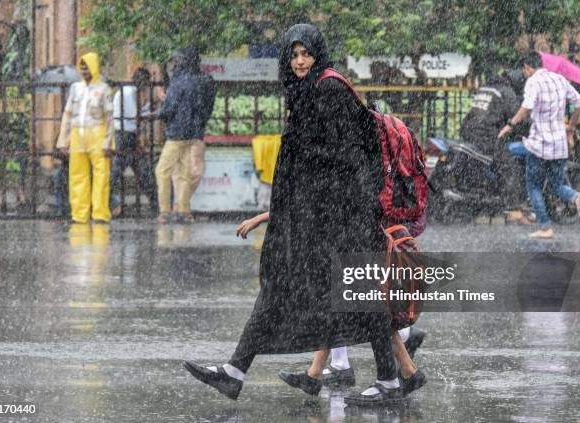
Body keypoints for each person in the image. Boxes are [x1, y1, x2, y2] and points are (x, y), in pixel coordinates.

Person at [183, 24, 401, 405]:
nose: (300, 61)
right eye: (294, 54)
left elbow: (347, 155)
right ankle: (235, 370)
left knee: (356, 294)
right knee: (283, 286)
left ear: (318, 54)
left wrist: (305, 161)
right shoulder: (302, 91)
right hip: (312, 214)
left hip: (341, 215)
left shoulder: (329, 89)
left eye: (306, 54)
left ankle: (390, 380)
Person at [237, 212, 427, 397]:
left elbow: (311, 207)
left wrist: (261, 218)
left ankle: (397, 372)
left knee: (363, 309)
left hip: (372, 243)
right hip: (373, 240)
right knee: (345, 306)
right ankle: (321, 372)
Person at [498, 51, 580, 238]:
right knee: (556, 184)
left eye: (524, 70)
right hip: (560, 144)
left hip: (539, 144)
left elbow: (526, 107)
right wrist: (571, 126)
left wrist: (510, 126)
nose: (524, 73)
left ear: (528, 68)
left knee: (533, 186)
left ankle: (545, 227)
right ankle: (576, 196)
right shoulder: (560, 79)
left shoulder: (533, 82)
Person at [155, 48, 216, 224]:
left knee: (162, 171)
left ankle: (165, 211)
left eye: (175, 62)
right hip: (194, 133)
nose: (173, 65)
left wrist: (162, 106)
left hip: (177, 134)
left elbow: (169, 109)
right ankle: (183, 210)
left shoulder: (179, 82)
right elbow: (207, 107)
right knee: (183, 172)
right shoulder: (204, 81)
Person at [57, 52, 114, 224]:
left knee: (101, 175)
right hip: (78, 135)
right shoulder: (76, 88)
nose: (84, 70)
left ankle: (100, 213)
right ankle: (79, 214)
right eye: (81, 67)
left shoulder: (103, 89)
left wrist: (108, 141)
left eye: (87, 67)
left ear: (94, 67)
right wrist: (63, 140)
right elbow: (67, 115)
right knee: (77, 175)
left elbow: (110, 117)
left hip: (97, 133)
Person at [110, 67, 155, 216]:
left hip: (125, 135)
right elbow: (134, 116)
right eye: (146, 83)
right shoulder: (129, 92)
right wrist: (151, 109)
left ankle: (155, 204)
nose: (146, 87)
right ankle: (155, 204)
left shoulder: (127, 91)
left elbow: (137, 115)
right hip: (125, 135)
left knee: (138, 171)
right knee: (119, 172)